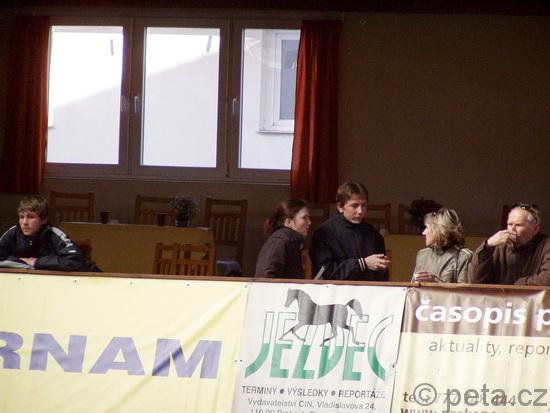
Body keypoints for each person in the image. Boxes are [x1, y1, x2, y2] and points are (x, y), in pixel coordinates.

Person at [310, 182, 389, 281]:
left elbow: (382, 276)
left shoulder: (373, 234)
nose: (360, 211)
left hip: (367, 289)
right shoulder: (324, 233)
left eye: (363, 205)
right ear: (340, 207)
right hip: (336, 289)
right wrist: (362, 263)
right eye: (354, 206)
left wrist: (382, 266)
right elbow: (325, 272)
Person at [0, 194, 86, 271]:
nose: (24, 222)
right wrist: (22, 263)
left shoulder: (54, 234)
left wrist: (37, 262)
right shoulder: (13, 232)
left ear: (44, 219)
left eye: (30, 217)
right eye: (21, 217)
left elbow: (75, 261)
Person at [469, 204, 550, 285]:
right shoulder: (498, 246)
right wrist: (487, 247)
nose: (512, 229)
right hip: (498, 293)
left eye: (518, 225)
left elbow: (547, 279)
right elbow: (476, 281)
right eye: (510, 224)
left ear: (535, 229)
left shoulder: (546, 246)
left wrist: (519, 285)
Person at [254, 199, 311, 278]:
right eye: (304, 218)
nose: (309, 222)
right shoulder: (279, 241)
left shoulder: (292, 241)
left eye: (309, 218)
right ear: (288, 222)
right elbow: (265, 276)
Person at [413, 208, 472, 283]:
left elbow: (465, 289)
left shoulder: (463, 256)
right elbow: (412, 287)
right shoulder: (422, 255)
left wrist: (435, 282)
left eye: (427, 227)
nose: (423, 233)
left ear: (438, 230)